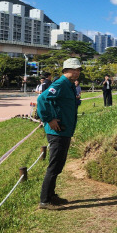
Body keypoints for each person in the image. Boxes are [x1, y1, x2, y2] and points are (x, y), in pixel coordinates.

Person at [36, 58, 82, 209]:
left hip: (65, 130)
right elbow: (42, 99)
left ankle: (51, 195)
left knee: (59, 165)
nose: (77, 72)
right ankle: (45, 201)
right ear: (65, 71)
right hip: (57, 131)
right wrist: (49, 119)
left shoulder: (69, 86)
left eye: (78, 69)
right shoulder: (60, 84)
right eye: (73, 69)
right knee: (54, 165)